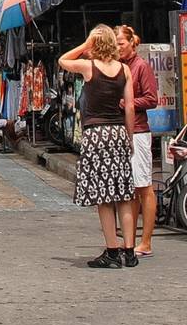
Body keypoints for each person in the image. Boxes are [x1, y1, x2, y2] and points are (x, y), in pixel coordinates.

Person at [59, 26, 138, 269]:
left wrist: (85, 45)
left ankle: (112, 252)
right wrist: (130, 137)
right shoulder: (124, 69)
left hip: (96, 135)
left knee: (104, 198)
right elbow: (130, 107)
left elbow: (63, 60)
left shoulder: (88, 67)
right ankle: (130, 251)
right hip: (118, 132)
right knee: (124, 195)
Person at [117, 26, 162, 258]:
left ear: (131, 43)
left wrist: (129, 102)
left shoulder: (140, 66)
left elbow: (152, 98)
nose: (118, 48)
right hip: (124, 131)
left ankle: (146, 242)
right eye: (115, 44)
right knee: (131, 189)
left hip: (139, 132)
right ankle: (131, 240)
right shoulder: (121, 67)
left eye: (121, 43)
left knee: (144, 187)